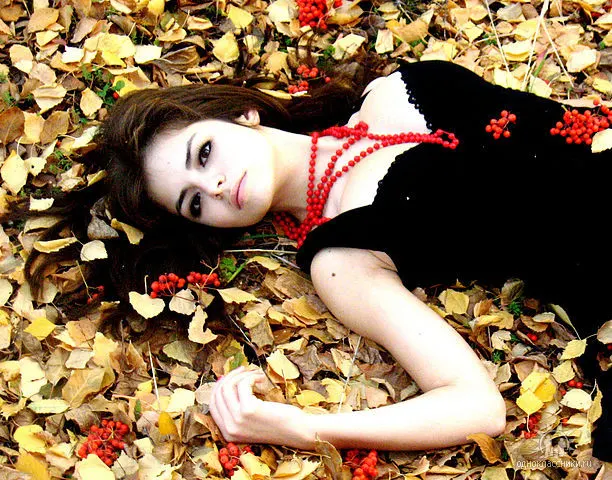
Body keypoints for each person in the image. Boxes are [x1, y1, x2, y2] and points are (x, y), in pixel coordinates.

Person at [5, 59, 611, 460]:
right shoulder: (341, 255)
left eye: (204, 153)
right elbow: (475, 405)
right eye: (194, 203)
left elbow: (571, 125)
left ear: (241, 113)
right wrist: (306, 428)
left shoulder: (396, 90)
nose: (214, 186)